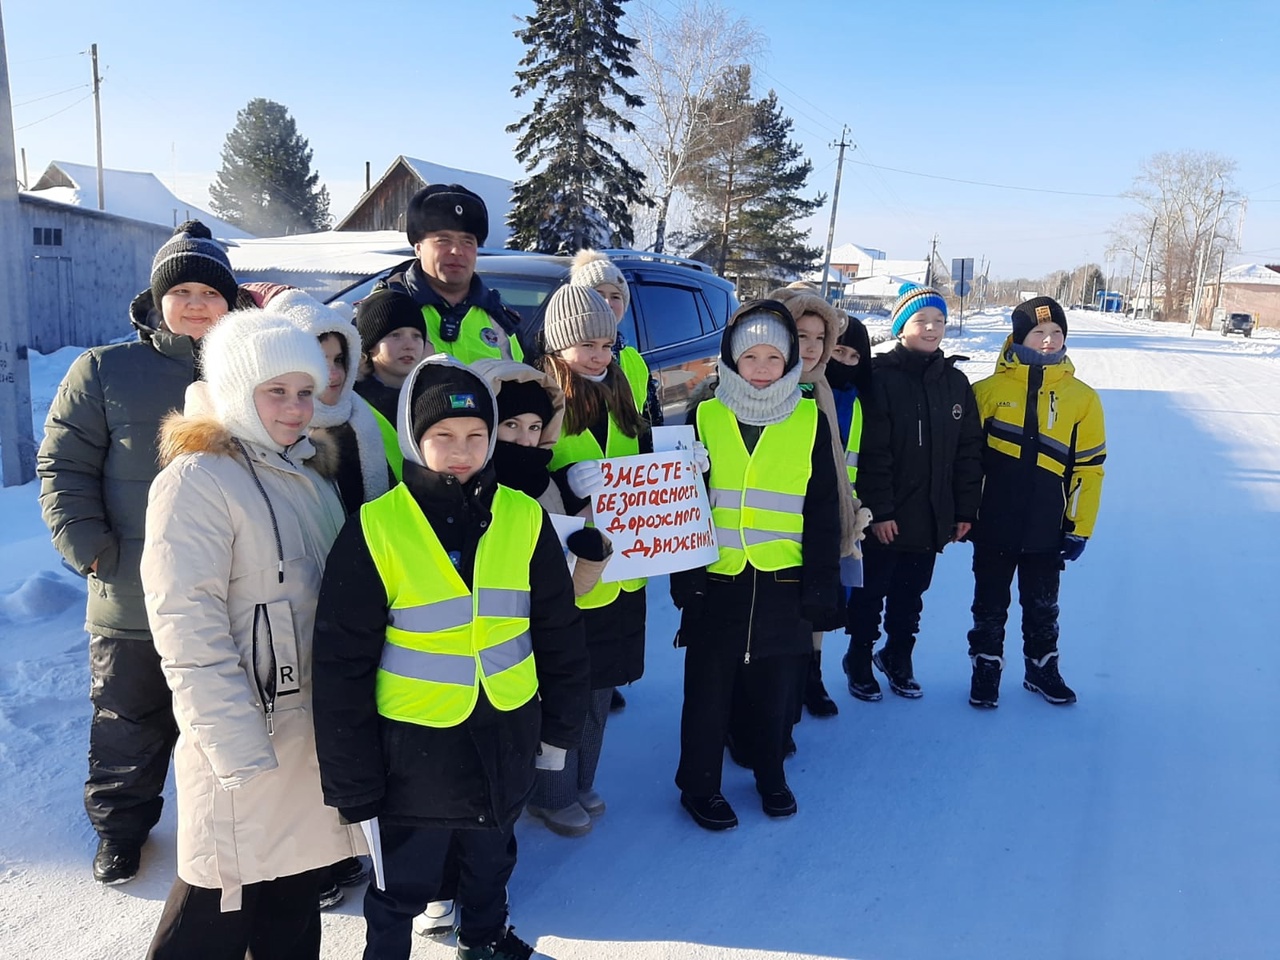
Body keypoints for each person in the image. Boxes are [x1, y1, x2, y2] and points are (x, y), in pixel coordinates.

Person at [311, 355, 590, 960]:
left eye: (475, 436)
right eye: (442, 437)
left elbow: (558, 627)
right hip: (413, 750)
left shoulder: (524, 516)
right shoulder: (377, 526)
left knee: (492, 855)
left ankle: (485, 937)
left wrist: (563, 720)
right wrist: (352, 776)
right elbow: (340, 663)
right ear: (415, 438)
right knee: (401, 883)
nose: (461, 451)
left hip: (506, 728)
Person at [140, 307, 363, 959]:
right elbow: (186, 627)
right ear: (240, 391)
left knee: (292, 908)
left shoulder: (309, 474)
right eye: (277, 392)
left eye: (304, 391)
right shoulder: (198, 480)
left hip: (307, 742)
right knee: (214, 912)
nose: (297, 409)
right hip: (248, 745)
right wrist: (231, 745)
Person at [37, 220, 249, 884]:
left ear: (230, 302)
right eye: (179, 289)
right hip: (130, 590)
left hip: (228, 590)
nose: (193, 303)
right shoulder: (103, 370)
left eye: (208, 292)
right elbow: (63, 467)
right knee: (128, 722)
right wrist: (92, 549)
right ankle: (121, 829)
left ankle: (232, 832)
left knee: (227, 716)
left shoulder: (250, 371)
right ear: (155, 301)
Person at [671, 300, 841, 831]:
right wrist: (686, 578)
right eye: (751, 357)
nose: (763, 367)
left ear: (791, 360)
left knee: (776, 691)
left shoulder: (808, 418)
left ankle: (771, 774)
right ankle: (699, 786)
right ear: (731, 360)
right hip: (717, 579)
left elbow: (822, 508)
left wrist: (820, 585)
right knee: (706, 692)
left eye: (774, 356)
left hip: (782, 581)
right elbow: (681, 503)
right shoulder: (705, 414)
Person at [522, 286, 649, 838]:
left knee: (601, 688)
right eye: (585, 345)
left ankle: (580, 779)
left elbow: (641, 460)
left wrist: (682, 462)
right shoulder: (540, 396)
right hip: (568, 574)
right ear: (557, 345)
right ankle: (549, 793)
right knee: (563, 689)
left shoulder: (622, 389)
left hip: (623, 570)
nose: (599, 355)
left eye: (606, 343)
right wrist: (563, 485)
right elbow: (514, 473)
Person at [843, 283, 984, 701]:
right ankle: (859, 656)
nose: (932, 328)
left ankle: (898, 656)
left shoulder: (956, 384)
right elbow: (873, 452)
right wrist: (881, 511)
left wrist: (964, 509)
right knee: (871, 595)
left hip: (932, 515)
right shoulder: (880, 379)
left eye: (939, 320)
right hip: (886, 517)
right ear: (902, 326)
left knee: (911, 596)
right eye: (922, 320)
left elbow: (968, 452)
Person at [966, 296, 1106, 707]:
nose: (1048, 341)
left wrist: (1078, 527)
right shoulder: (987, 392)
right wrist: (964, 512)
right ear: (1018, 337)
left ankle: (1042, 668)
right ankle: (985, 668)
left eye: (1057, 333)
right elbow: (967, 462)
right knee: (989, 604)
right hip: (993, 524)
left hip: (1048, 528)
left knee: (1043, 607)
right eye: (1039, 332)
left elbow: (1090, 468)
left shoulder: (1083, 399)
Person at [768, 287, 872, 719]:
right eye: (800, 335)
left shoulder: (825, 389)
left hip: (824, 521)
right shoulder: (764, 387)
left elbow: (845, 460)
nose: (810, 348)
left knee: (816, 607)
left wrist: (851, 511)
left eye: (818, 339)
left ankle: (805, 681)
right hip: (771, 530)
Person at [567, 248, 658, 711]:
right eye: (597, 293)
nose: (609, 303)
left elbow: (646, 434)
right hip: (574, 549)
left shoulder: (633, 365)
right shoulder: (548, 373)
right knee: (571, 678)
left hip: (625, 541)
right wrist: (566, 483)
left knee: (604, 672)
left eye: (616, 295)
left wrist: (680, 462)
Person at [378, 183, 526, 364]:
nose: (457, 251)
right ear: (418, 248)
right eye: (443, 240)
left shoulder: (501, 320)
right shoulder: (385, 311)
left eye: (467, 241)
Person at [354, 288, 429, 480]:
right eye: (395, 335)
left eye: (416, 336)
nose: (409, 345)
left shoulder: (433, 396)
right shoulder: (353, 404)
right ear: (370, 346)